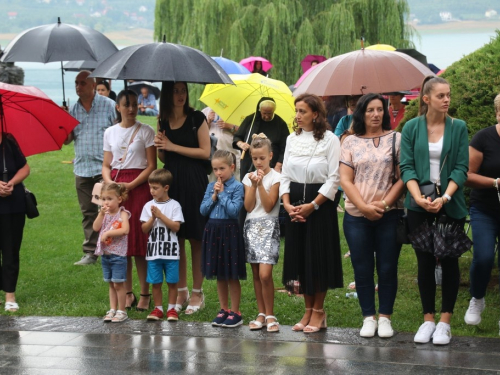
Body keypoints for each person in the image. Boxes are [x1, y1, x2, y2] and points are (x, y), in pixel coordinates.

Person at [400, 76, 469, 345]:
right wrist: (418, 198)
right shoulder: (412, 127)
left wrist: (446, 197)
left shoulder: (458, 127)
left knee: (450, 261)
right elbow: (406, 166)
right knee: (425, 261)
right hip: (419, 203)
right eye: (441, 96)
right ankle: (427, 319)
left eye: (449, 94)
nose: (447, 99)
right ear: (426, 99)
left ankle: (445, 322)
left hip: (449, 203)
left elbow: (461, 167)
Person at [340, 93, 405, 338]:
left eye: (380, 109)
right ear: (361, 114)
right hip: (357, 215)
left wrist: (384, 205)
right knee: (362, 266)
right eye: (370, 110)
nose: (376, 114)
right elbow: (345, 180)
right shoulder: (349, 142)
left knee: (388, 266)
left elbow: (403, 177)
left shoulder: (395, 139)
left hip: (390, 214)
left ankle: (385, 317)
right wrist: (365, 207)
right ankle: (368, 317)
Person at [280, 93, 343, 333]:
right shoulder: (291, 139)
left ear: (315, 114)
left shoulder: (330, 140)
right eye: (296, 111)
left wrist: (313, 205)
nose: (297, 115)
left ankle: (319, 311)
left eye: (302, 111)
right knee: (300, 257)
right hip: (294, 204)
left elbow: (333, 178)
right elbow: (285, 173)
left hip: (319, 205)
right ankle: (307, 310)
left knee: (318, 258)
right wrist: (286, 203)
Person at [154, 81, 210, 315]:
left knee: (196, 238)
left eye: (183, 91)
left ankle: (198, 292)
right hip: (172, 181)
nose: (180, 95)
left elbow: (205, 152)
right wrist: (161, 146)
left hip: (195, 180)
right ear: (167, 94)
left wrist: (172, 145)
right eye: (175, 91)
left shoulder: (197, 118)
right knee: (176, 238)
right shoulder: (163, 120)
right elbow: (163, 156)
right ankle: (182, 290)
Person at [102, 89, 157, 311]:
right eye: (126, 105)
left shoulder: (146, 131)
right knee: (120, 244)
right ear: (118, 107)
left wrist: (132, 185)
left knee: (139, 244)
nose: (131, 109)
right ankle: (127, 292)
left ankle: (145, 293)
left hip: (139, 186)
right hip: (117, 188)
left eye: (134, 104)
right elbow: (107, 164)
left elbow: (152, 165)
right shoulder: (110, 132)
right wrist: (110, 184)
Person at [64, 70, 116, 266]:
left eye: (82, 83)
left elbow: (118, 132)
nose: (78, 86)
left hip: (103, 169)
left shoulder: (108, 105)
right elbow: (67, 140)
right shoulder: (73, 110)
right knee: (88, 212)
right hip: (82, 169)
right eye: (76, 83)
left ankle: (110, 248)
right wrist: (62, 122)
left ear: (93, 85)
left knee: (108, 209)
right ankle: (90, 252)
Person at [463, 93, 500, 327]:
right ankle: (477, 298)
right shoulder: (483, 138)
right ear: (498, 113)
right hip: (485, 209)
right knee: (484, 257)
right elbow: (466, 175)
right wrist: (495, 182)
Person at [200, 150, 246, 327]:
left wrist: (223, 194)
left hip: (230, 231)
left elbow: (234, 210)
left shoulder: (237, 187)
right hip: (212, 230)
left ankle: (236, 311)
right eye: (215, 169)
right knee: (219, 273)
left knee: (231, 274)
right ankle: (224, 309)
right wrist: (213, 196)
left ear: (232, 167)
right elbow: (203, 210)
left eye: (222, 168)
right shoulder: (210, 186)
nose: (218, 173)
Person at [243, 134, 281, 332]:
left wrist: (260, 185)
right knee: (256, 273)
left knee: (266, 274)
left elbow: (268, 206)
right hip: (251, 226)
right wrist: (252, 185)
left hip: (269, 226)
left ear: (270, 156)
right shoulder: (248, 178)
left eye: (262, 158)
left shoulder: (276, 178)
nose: (258, 162)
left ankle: (271, 312)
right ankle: (262, 313)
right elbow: (249, 207)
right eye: (255, 158)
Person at [141, 169, 185, 322]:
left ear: (166, 188)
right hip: (154, 253)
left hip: (171, 253)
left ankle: (172, 309)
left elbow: (176, 227)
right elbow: (144, 229)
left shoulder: (174, 205)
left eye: (155, 188)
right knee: (156, 282)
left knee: (172, 282)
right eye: (150, 187)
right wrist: (153, 218)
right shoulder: (148, 206)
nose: (152, 191)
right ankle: (158, 309)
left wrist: (160, 216)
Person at [0, 133, 30, 312]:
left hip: (13, 204)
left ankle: (10, 295)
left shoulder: (9, 140)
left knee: (11, 249)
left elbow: (25, 168)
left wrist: (11, 182)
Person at [92, 183, 130, 323]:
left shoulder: (122, 213)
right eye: (103, 199)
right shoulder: (104, 214)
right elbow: (95, 227)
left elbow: (125, 230)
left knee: (118, 284)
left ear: (119, 199)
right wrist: (101, 214)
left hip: (118, 255)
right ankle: (112, 309)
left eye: (109, 198)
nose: (106, 202)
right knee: (111, 284)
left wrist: (109, 233)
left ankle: (122, 310)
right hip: (106, 254)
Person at [233, 97, 289, 179]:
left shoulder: (280, 123)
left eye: (269, 113)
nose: (266, 116)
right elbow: (237, 137)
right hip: (248, 163)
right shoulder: (250, 120)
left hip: (272, 165)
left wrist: (278, 165)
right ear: (260, 110)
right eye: (264, 113)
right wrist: (241, 144)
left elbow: (285, 147)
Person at [202, 107, 241, 181]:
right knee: (212, 183)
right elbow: (200, 134)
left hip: (231, 154)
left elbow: (244, 132)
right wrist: (208, 122)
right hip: (212, 156)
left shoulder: (236, 111)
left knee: (234, 183)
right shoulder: (205, 111)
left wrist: (230, 126)